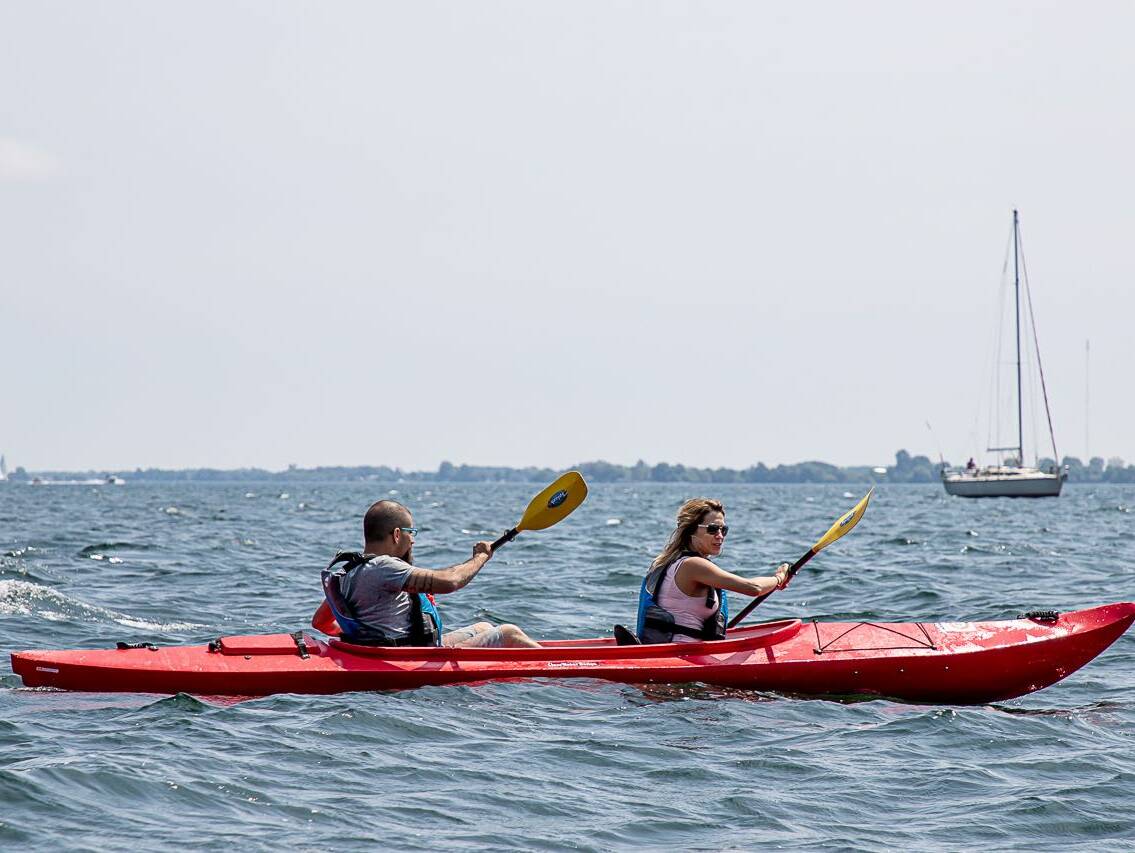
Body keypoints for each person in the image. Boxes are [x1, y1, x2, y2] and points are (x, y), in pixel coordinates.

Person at [312, 499, 540, 648]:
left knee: (484, 627)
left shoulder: (349, 571)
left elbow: (320, 622)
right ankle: (563, 671)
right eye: (412, 533)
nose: (413, 539)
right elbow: (451, 582)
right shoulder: (385, 567)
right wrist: (480, 558)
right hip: (408, 655)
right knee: (509, 632)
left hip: (397, 649)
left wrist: (363, 638)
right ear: (397, 534)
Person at [635, 498, 790, 644]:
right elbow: (753, 588)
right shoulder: (693, 565)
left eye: (724, 530)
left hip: (685, 653)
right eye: (713, 529)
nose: (720, 536)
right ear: (691, 531)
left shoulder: (673, 562)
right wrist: (779, 578)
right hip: (680, 655)